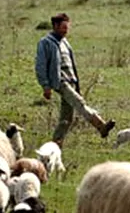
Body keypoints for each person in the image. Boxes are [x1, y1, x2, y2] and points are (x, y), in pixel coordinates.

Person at [35, 13, 115, 146]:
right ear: (55, 26)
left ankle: (55, 146)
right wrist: (45, 86)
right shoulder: (45, 43)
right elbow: (41, 66)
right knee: (80, 103)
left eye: (67, 27)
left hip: (71, 81)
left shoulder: (65, 42)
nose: (66, 30)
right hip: (61, 82)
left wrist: (77, 83)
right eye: (63, 27)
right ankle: (101, 126)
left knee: (66, 119)